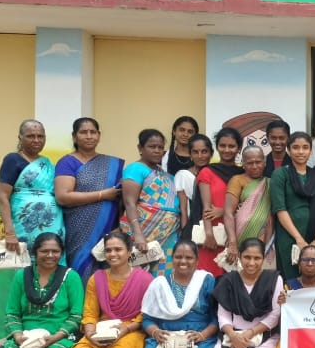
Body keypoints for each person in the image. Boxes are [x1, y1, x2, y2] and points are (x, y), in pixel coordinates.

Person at [54, 117, 124, 280]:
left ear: (99, 135)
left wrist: (119, 224)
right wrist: (103, 195)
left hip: (109, 230)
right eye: (83, 132)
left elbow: (120, 199)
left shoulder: (111, 163)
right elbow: (63, 196)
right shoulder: (67, 162)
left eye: (93, 132)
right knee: (80, 270)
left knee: (108, 274)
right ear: (74, 136)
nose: (89, 136)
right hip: (78, 230)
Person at [0, 119, 64, 255]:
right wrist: (9, 231)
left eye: (40, 136)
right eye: (30, 136)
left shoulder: (48, 164)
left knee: (52, 258)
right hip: (24, 223)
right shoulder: (12, 159)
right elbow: (3, 196)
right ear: (20, 138)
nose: (36, 140)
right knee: (26, 262)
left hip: (53, 223)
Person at [121, 129, 181, 277]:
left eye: (160, 147)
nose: (157, 151)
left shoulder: (166, 175)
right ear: (140, 148)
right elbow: (129, 203)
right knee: (138, 276)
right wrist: (138, 235)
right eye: (152, 146)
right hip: (142, 232)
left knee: (162, 275)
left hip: (168, 235)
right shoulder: (135, 169)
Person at [271, 132, 315, 280]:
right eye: (296, 147)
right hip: (290, 237)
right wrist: (298, 238)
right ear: (288, 150)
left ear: (310, 150)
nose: (301, 151)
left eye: (305, 147)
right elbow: (280, 209)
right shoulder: (280, 174)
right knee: (291, 280)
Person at [193, 128, 244, 276]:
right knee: (209, 278)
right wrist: (209, 234)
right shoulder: (207, 172)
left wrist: (223, 211)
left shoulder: (243, 174)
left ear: (239, 148)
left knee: (234, 279)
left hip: (238, 232)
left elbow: (245, 206)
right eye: (222, 146)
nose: (227, 150)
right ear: (217, 147)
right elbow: (207, 207)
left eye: (232, 146)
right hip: (214, 235)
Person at [223, 146, 272, 266]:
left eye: (258, 162)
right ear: (243, 164)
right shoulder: (237, 180)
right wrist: (232, 243)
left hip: (265, 236)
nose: (255, 166)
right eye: (250, 163)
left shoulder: (270, 182)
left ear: (264, 162)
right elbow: (228, 212)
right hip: (240, 236)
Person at [176, 134, 214, 236]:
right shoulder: (183, 176)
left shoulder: (217, 174)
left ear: (211, 153)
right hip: (193, 228)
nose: (200, 156)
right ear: (190, 155)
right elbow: (184, 210)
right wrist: (185, 234)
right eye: (195, 152)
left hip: (216, 226)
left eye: (204, 151)